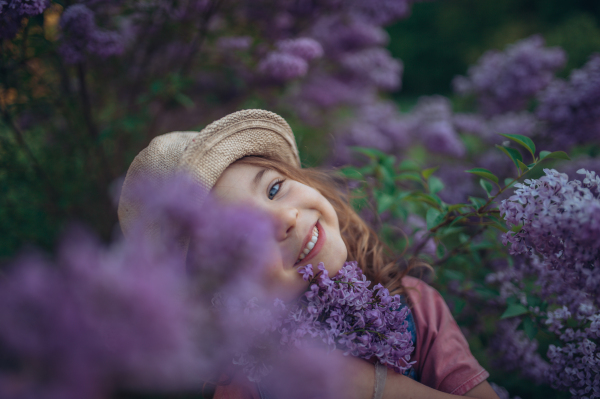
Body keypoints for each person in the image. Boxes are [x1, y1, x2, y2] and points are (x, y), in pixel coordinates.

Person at [118, 109, 500, 399]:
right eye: (245, 238)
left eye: (273, 189)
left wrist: (374, 386)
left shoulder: (415, 307)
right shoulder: (247, 386)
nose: (285, 218)